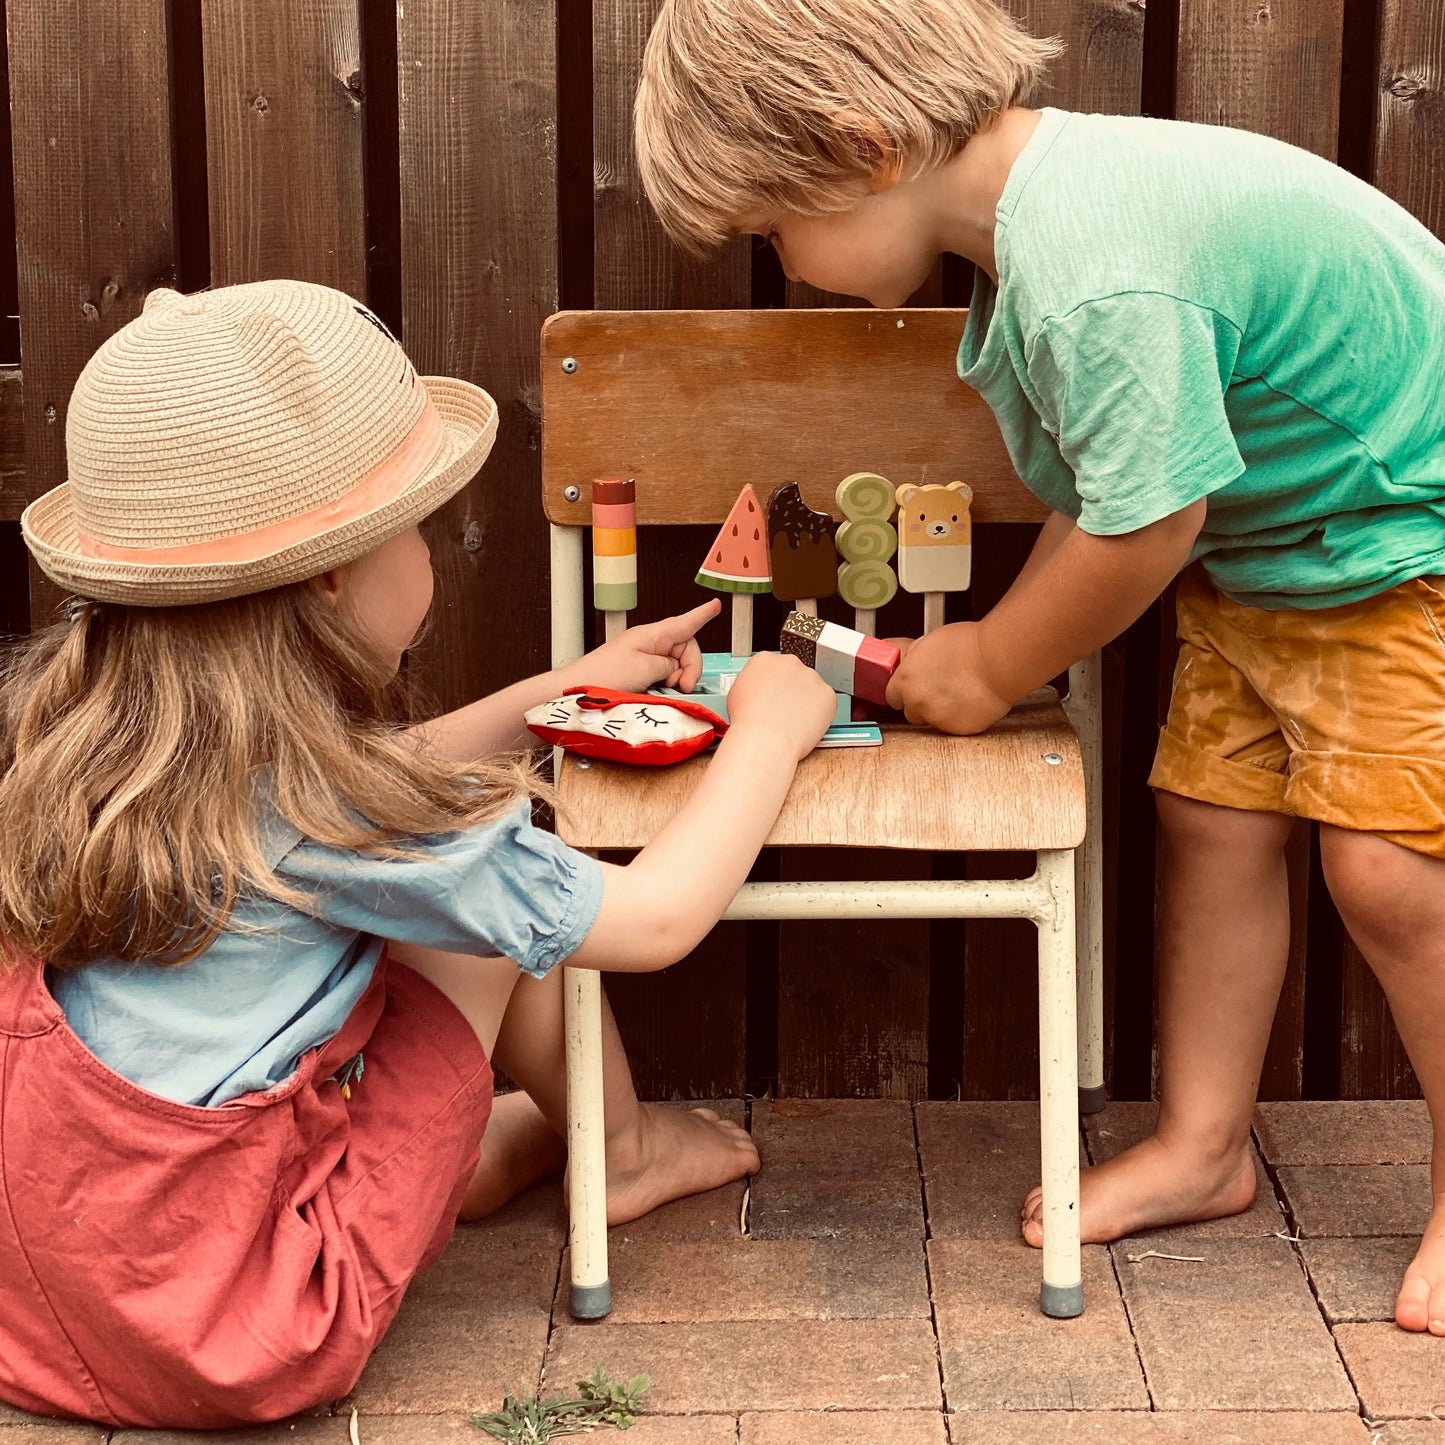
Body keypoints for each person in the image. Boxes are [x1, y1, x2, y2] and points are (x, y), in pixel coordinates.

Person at [633, 0, 1445, 1333]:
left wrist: (995, 656)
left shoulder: (1089, 264)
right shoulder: (1043, 234)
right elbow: (1126, 473)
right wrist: (993, 652)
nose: (776, 260)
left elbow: (1148, 519)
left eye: (773, 225)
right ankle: (1203, 1145)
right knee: (1210, 818)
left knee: (1388, 868)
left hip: (1404, 544)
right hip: (1284, 550)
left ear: (865, 146)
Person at [0, 279, 836, 1428]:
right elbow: (651, 918)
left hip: (47, 1291)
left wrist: (555, 691)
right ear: (337, 575)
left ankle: (464, 1157)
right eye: (418, 524)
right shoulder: (368, 824)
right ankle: (624, 1149)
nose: (429, 545)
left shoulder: (102, 748)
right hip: (232, 1322)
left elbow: (326, 811)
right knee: (495, 918)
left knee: (430, 895)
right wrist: (775, 732)